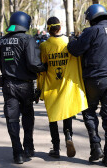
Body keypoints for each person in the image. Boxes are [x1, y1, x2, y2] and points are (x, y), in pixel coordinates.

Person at [67, 4, 107, 167]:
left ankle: (96, 147)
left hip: (94, 79)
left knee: (89, 112)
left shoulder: (92, 31)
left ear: (92, 18)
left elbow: (76, 50)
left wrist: (72, 41)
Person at [0, 11, 47, 164]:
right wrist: (44, 67)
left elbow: (0, 63)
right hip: (25, 85)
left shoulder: (2, 40)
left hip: (7, 84)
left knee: (12, 118)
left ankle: (17, 153)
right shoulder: (27, 39)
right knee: (27, 116)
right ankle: (28, 147)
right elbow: (33, 63)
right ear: (25, 23)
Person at [37, 16, 88, 158]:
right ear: (60, 27)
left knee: (53, 119)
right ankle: (68, 137)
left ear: (48, 30)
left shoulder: (44, 46)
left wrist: (39, 89)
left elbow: (41, 70)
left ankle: (56, 148)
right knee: (67, 114)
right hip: (68, 87)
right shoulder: (70, 43)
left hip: (51, 87)